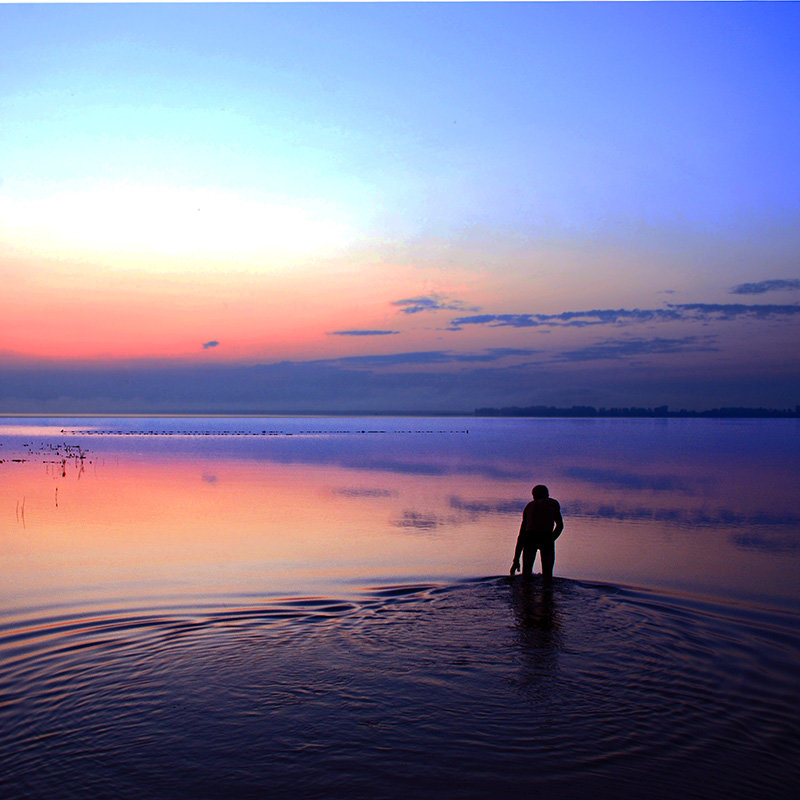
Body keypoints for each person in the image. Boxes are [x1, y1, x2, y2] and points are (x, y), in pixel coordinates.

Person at [510, 484, 563, 582]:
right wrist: (551, 539)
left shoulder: (529, 506)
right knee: (547, 577)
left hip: (530, 538)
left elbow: (521, 535)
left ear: (533, 495)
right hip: (545, 537)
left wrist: (516, 560)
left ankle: (526, 594)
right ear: (547, 494)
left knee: (526, 576)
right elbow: (560, 526)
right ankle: (547, 593)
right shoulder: (552, 503)